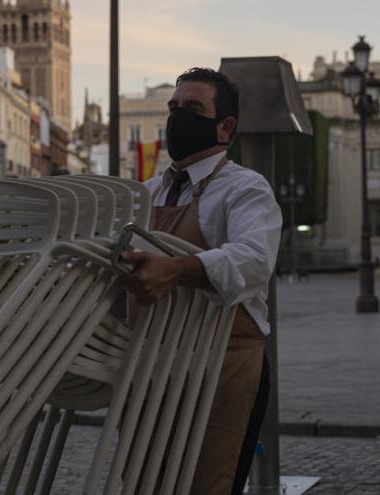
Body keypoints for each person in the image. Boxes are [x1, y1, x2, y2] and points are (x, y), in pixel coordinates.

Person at [120, 67, 283, 495]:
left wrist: (175, 270)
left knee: (209, 482)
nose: (178, 119)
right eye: (173, 109)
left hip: (222, 371)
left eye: (192, 109)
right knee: (145, 482)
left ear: (225, 126)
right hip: (151, 369)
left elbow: (253, 260)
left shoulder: (246, 189)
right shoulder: (144, 192)